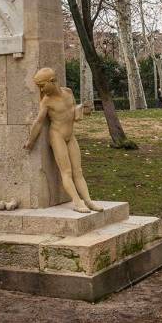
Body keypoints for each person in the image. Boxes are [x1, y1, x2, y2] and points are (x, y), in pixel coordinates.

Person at [24, 67, 103, 214]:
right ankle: (77, 202)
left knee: (78, 171)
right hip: (57, 136)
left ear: (52, 81)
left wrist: (82, 110)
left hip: (70, 136)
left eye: (42, 86)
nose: (41, 90)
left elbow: (73, 112)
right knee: (66, 172)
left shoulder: (68, 92)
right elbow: (39, 122)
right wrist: (31, 141)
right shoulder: (46, 101)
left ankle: (88, 201)